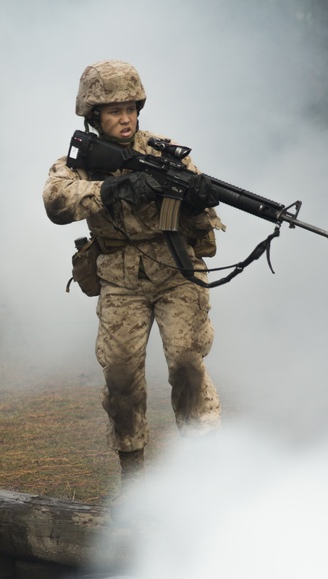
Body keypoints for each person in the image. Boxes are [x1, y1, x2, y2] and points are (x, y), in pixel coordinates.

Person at [42, 60, 225, 487]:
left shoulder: (163, 150)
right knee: (121, 376)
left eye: (130, 109)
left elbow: (203, 217)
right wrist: (112, 188)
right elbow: (55, 201)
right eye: (113, 111)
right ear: (94, 117)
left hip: (176, 271)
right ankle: (134, 480)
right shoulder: (82, 160)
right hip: (121, 280)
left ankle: (206, 473)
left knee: (186, 364)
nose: (125, 118)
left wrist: (197, 200)